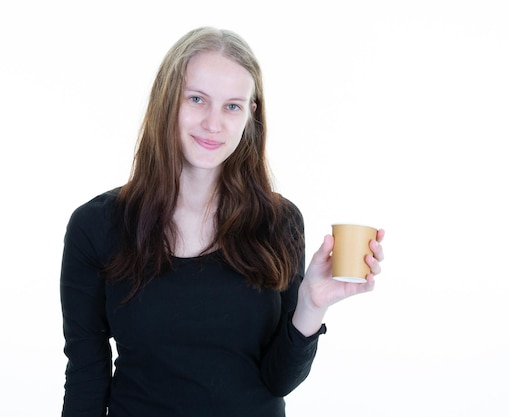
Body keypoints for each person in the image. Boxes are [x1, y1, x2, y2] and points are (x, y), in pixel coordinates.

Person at [60, 26, 385, 417]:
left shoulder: (279, 222)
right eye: (197, 99)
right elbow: (86, 374)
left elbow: (279, 380)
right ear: (167, 103)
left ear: (250, 114)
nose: (214, 123)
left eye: (232, 106)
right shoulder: (97, 225)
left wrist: (311, 305)